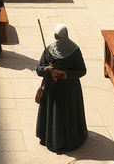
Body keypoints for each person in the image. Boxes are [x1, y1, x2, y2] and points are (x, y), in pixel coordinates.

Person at [36, 24, 88, 153]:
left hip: (66, 89)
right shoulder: (52, 50)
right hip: (57, 89)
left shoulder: (71, 51)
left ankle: (61, 140)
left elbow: (82, 71)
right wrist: (47, 69)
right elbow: (39, 69)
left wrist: (65, 75)